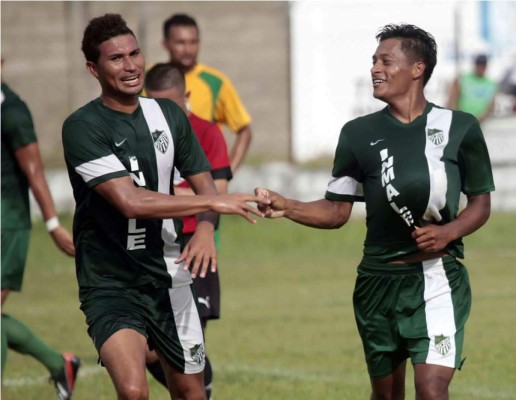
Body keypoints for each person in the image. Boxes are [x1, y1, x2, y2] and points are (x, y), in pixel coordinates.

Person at [255, 24, 494, 400]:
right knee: (386, 396)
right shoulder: (357, 134)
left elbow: (480, 202)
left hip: (436, 280)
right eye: (373, 61)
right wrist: (288, 207)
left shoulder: (459, 128)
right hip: (376, 283)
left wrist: (449, 233)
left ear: (417, 69)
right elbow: (336, 211)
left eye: (386, 60)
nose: (374, 69)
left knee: (431, 390)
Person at [62, 14, 266, 400]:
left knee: (193, 391)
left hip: (171, 276)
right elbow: (130, 202)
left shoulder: (170, 115)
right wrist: (214, 202)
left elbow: (205, 184)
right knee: (135, 391)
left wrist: (205, 228)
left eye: (135, 53)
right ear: (93, 68)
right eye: (116, 58)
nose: (131, 65)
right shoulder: (82, 127)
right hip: (111, 282)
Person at [145, 62, 232, 400]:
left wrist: (161, 198)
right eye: (155, 103)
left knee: (190, 340)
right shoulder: (142, 133)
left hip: (194, 243)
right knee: (149, 347)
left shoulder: (207, 133)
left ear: (187, 97)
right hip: (152, 244)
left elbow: (217, 194)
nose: (162, 111)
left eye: (169, 103)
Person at [1, 73, 80, 398]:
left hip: (7, 222)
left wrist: (52, 224)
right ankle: (60, 364)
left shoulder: (12, 111)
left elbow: (33, 168)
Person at [162, 13, 252, 173]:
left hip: (202, 180)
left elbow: (244, 131)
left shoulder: (215, 82)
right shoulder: (151, 79)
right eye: (180, 42)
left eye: (193, 42)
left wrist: (225, 174)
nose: (188, 49)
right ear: (165, 44)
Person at [447, 54, 498, 124]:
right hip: (461, 119)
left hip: (479, 121)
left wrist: (482, 118)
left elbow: (491, 104)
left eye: (483, 65)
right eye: (479, 65)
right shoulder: (463, 78)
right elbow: (453, 98)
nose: (481, 68)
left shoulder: (491, 84)